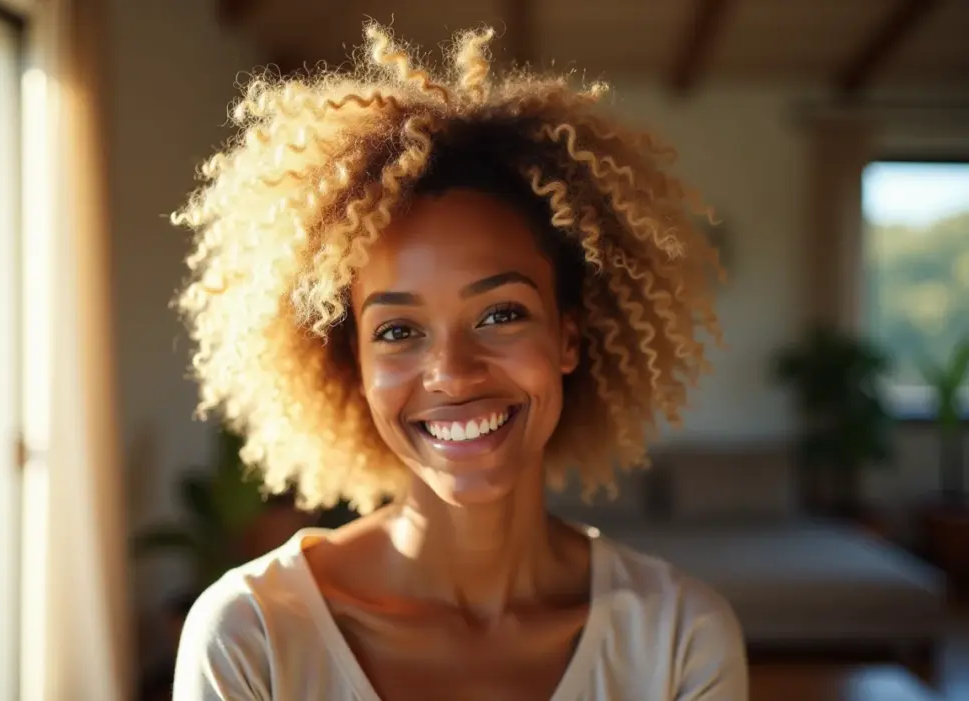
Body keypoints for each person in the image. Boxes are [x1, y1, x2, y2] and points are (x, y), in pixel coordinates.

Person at [170, 21, 746, 701]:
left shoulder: (679, 636)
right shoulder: (251, 636)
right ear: (349, 359)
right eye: (398, 329)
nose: (452, 371)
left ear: (569, 337)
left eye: (501, 314)